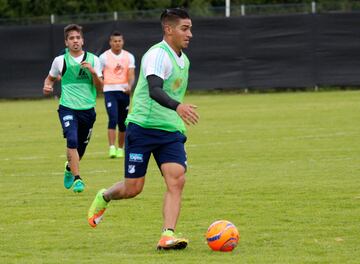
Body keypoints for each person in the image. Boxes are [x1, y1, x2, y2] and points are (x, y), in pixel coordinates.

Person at [87, 8, 199, 250]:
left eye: (190, 28)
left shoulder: (184, 60)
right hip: (143, 128)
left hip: (170, 131)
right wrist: (178, 106)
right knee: (133, 188)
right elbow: (154, 89)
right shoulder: (158, 55)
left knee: (177, 180)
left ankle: (167, 235)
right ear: (168, 29)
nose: (190, 33)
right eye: (185, 28)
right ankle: (105, 196)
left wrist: (177, 115)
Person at [43, 24, 103, 193]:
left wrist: (93, 73)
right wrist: (47, 87)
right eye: (71, 38)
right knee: (72, 140)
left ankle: (69, 168)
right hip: (67, 107)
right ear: (66, 42)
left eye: (78, 38)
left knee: (81, 147)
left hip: (88, 110)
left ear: (82, 41)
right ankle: (78, 179)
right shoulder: (60, 61)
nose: (75, 41)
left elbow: (100, 88)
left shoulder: (94, 60)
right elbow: (49, 79)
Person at [99, 31, 136, 158]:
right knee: (113, 118)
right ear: (110, 42)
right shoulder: (103, 57)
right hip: (110, 91)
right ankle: (112, 148)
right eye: (115, 41)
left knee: (122, 121)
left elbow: (131, 74)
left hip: (123, 92)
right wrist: (102, 84)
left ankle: (120, 148)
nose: (117, 43)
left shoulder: (129, 56)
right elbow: (99, 74)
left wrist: (130, 86)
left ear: (123, 42)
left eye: (119, 41)